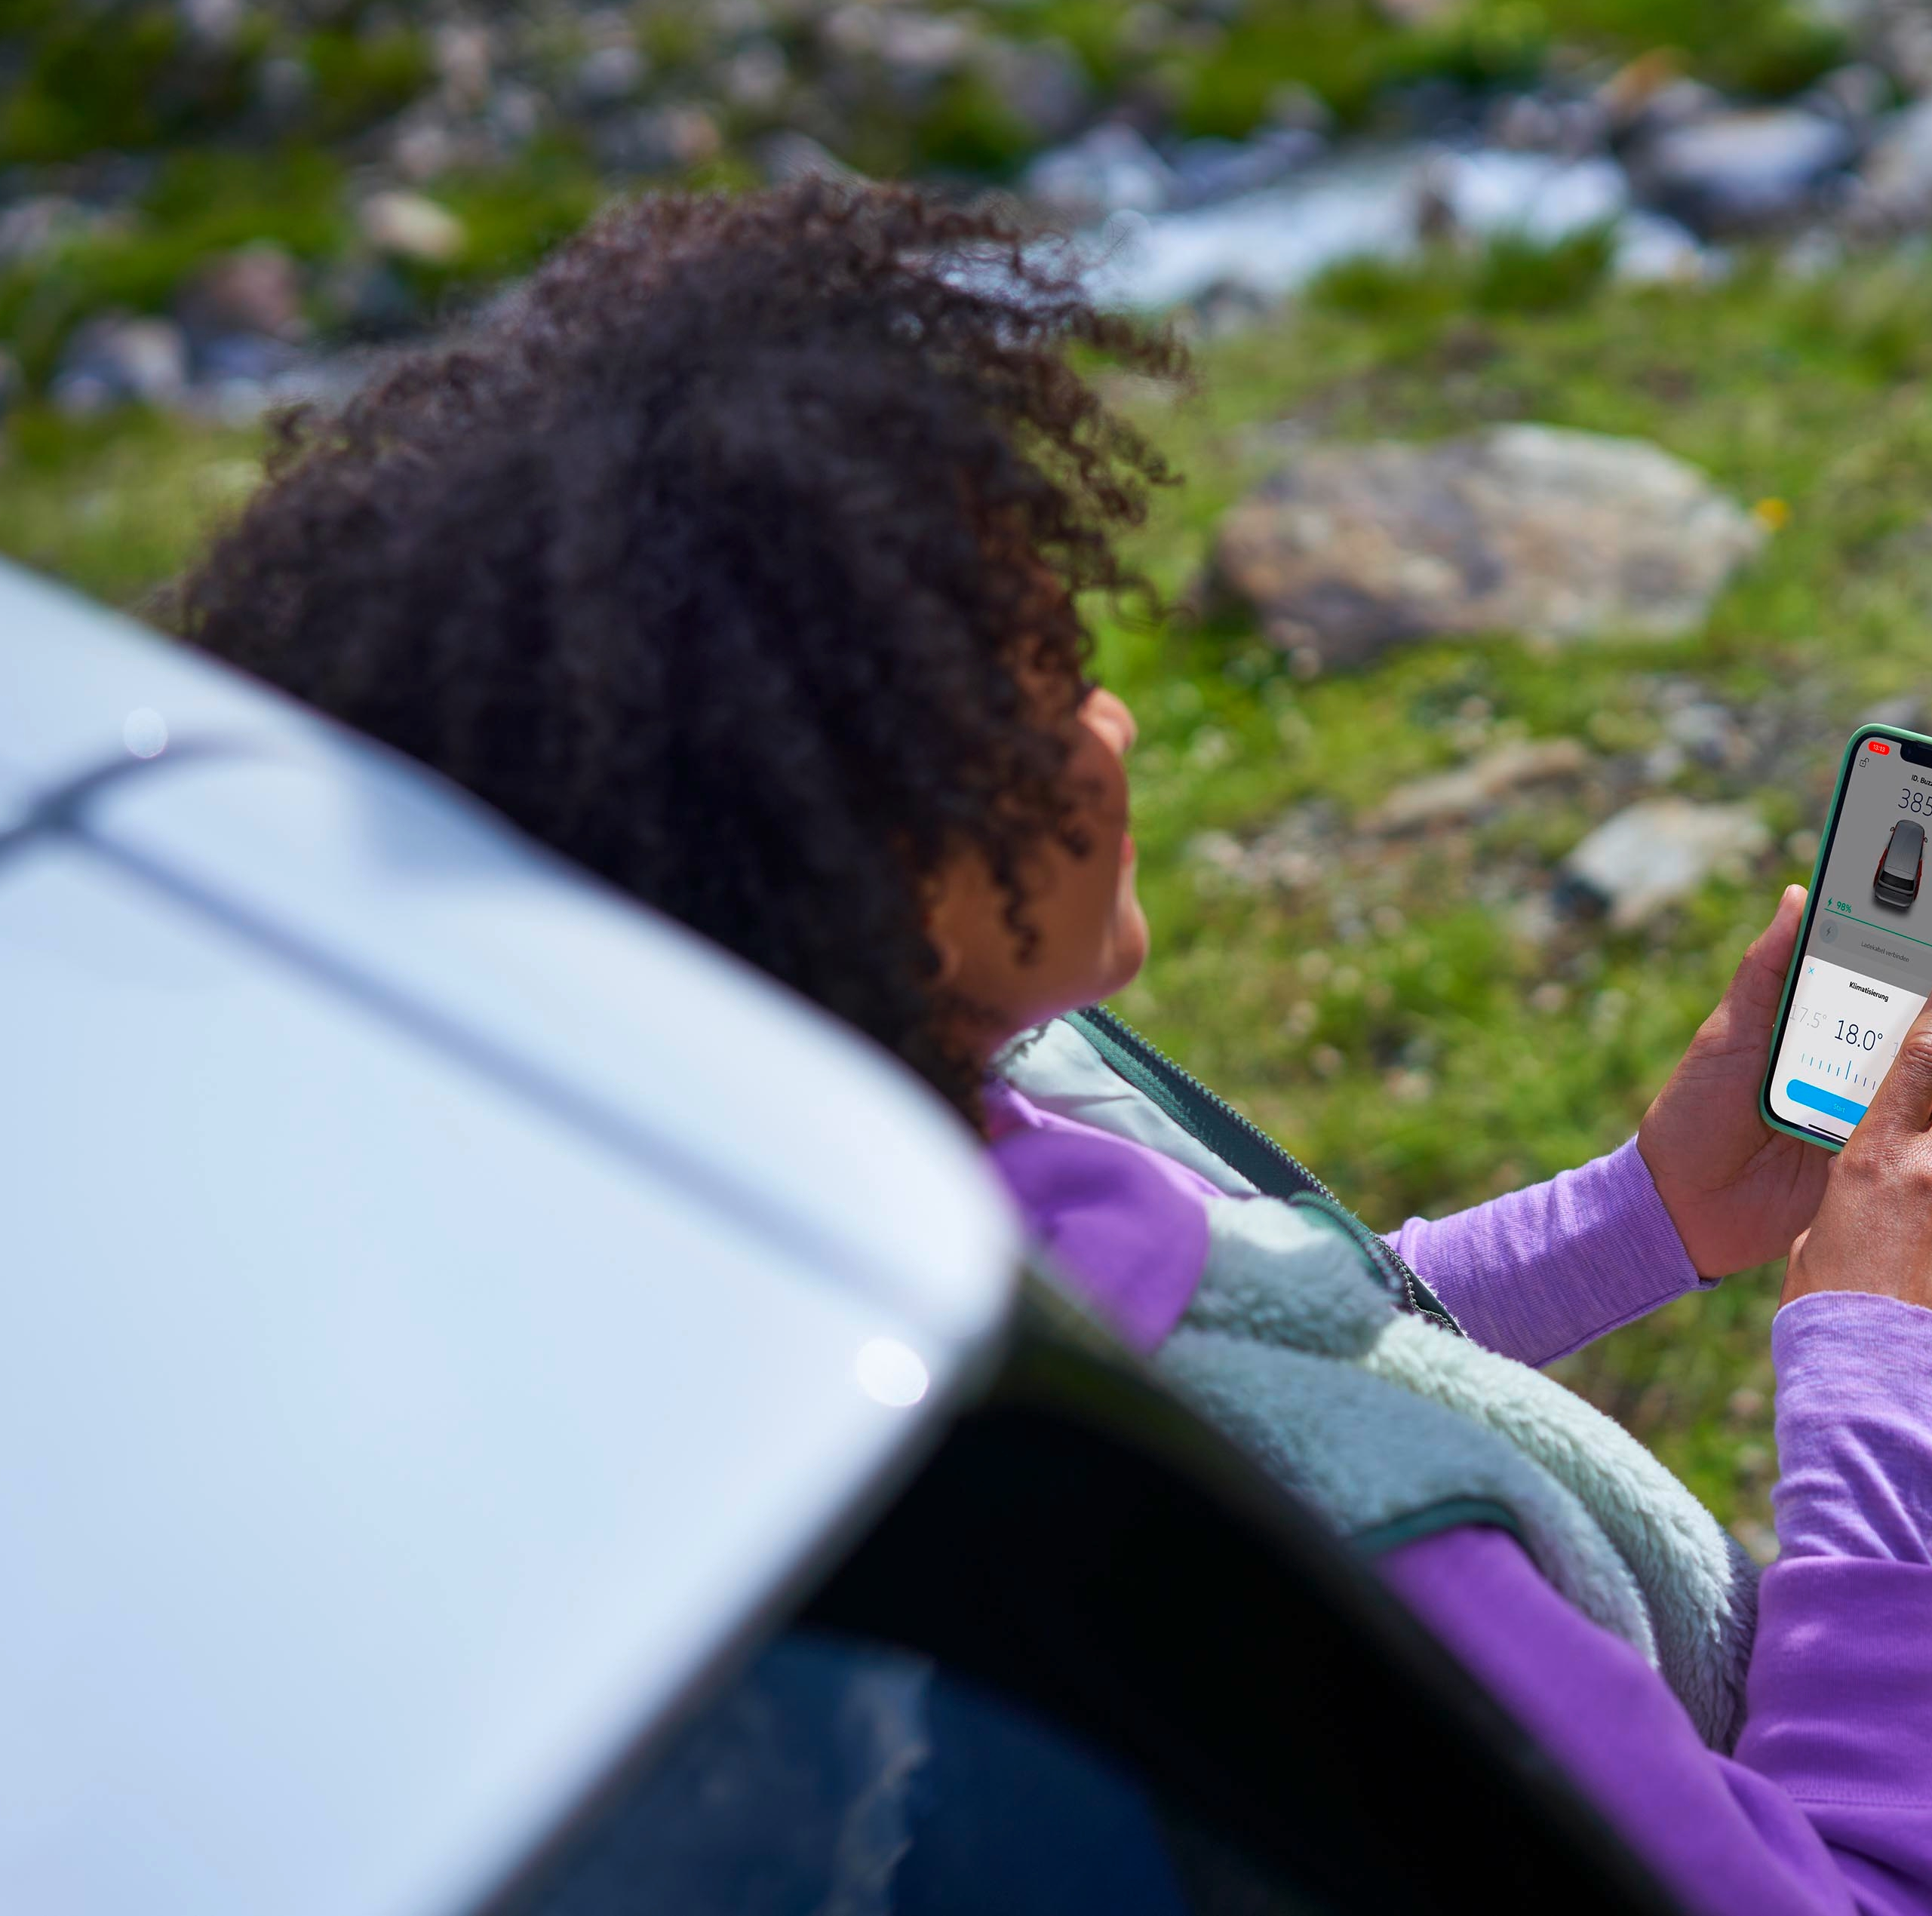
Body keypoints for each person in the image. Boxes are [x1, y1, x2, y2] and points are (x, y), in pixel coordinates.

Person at [175, 181, 1932, 1911]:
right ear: (861, 860)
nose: (1110, 726)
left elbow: (1284, 1342)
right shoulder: (1339, 1547)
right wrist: (1873, 1361)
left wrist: (1639, 1215)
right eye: (1031, 689)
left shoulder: (802, 1196)